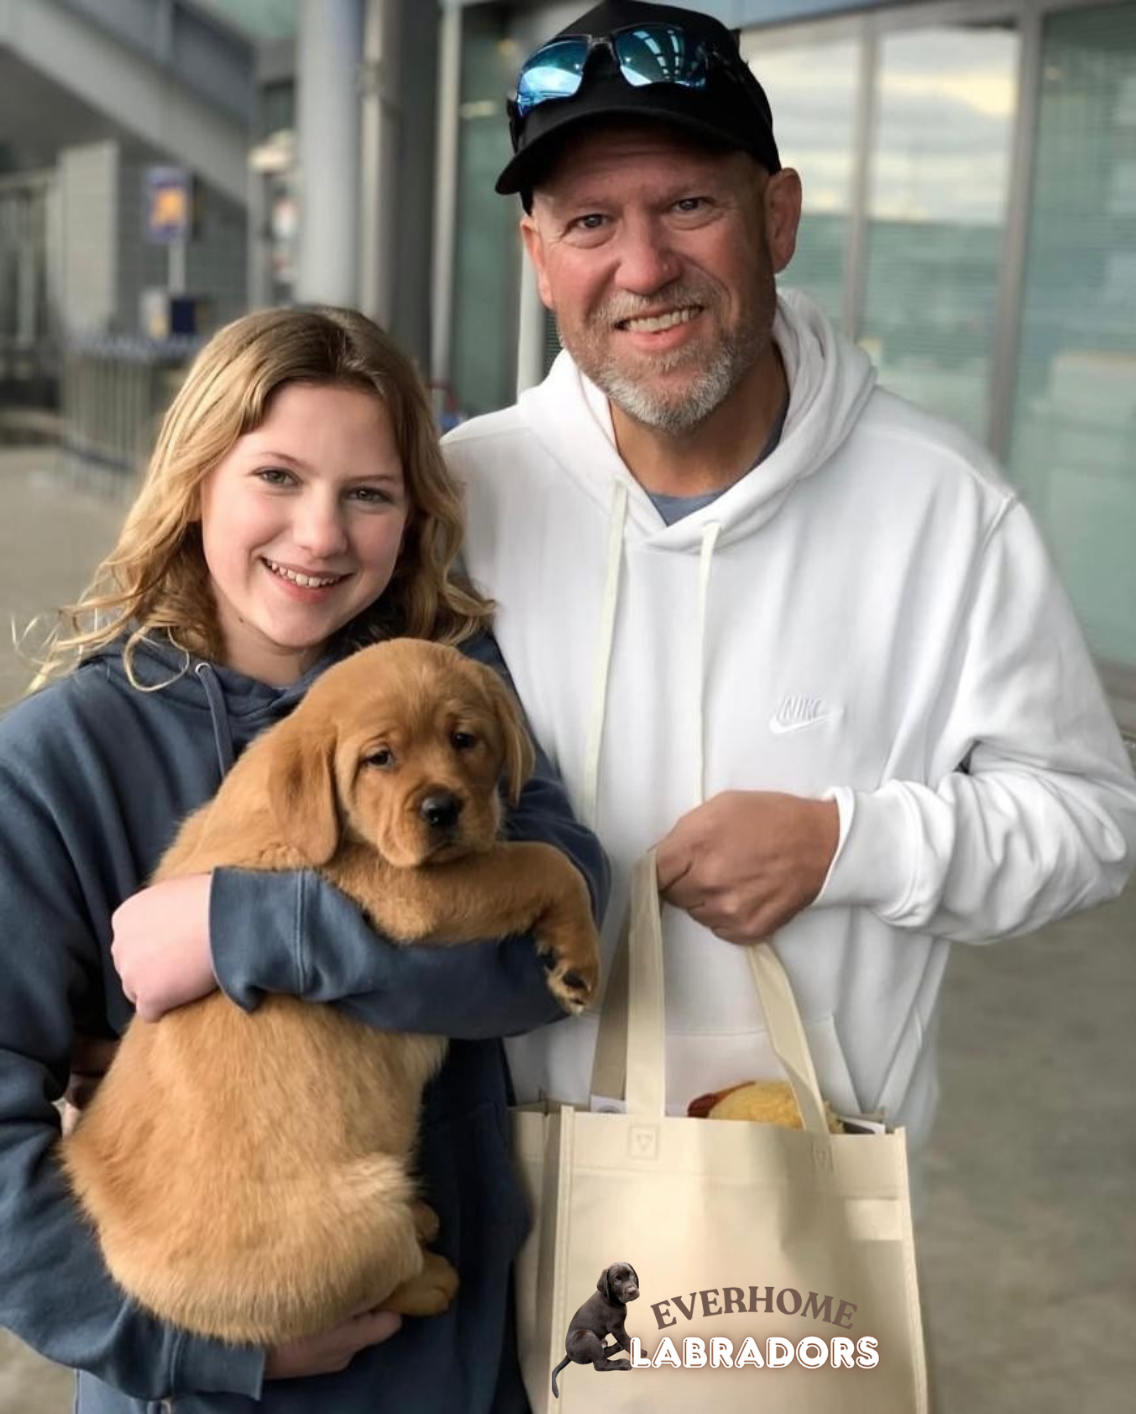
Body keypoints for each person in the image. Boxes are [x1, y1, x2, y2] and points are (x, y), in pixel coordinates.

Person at [436, 0, 1136, 1145]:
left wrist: (847, 845)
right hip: (503, 1218)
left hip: (801, 1238)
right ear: (536, 257)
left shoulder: (943, 507)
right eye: (590, 222)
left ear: (778, 215)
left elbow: (1087, 822)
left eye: (689, 206)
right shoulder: (462, 499)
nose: (643, 266)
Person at [0, 306, 606, 1413]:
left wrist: (242, 929)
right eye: (275, 476)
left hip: (460, 1362)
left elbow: (544, 957)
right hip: (193, 1381)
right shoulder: (59, 758)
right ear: (195, 481)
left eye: (367, 493)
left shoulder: (448, 683)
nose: (320, 534)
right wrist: (202, 1352)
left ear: (413, 514)